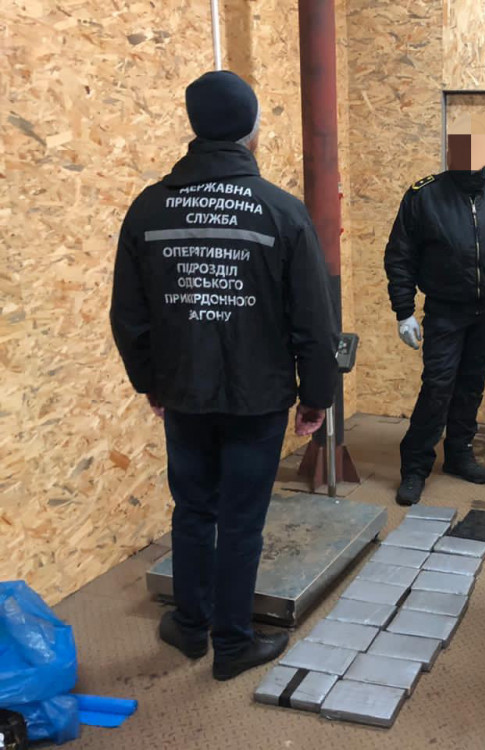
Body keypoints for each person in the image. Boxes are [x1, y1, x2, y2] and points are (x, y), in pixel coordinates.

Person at [110, 71, 337, 681]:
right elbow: (313, 319)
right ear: (252, 130)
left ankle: (190, 627)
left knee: (193, 510)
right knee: (241, 521)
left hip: (183, 391)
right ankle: (232, 644)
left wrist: (150, 382)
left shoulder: (148, 208)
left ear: (195, 126)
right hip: (257, 397)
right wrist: (316, 395)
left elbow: (129, 315)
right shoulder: (281, 211)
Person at [384, 114, 485, 506]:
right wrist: (404, 311)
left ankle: (459, 453)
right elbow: (400, 256)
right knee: (438, 385)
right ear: (450, 149)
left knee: (472, 385)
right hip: (445, 311)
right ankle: (415, 466)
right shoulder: (423, 197)